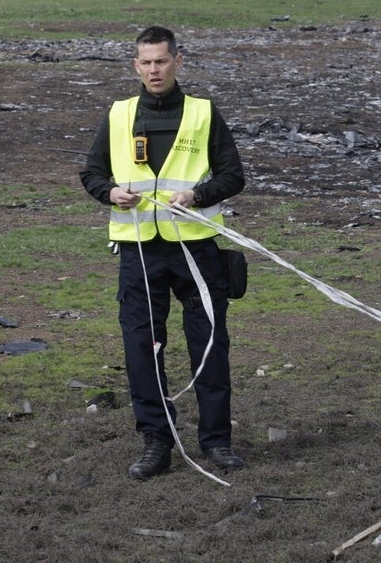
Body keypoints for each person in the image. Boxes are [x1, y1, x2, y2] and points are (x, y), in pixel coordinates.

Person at [80, 25, 247, 480]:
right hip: (138, 254)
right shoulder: (118, 115)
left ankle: (217, 442)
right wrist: (110, 193)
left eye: (162, 60)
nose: (154, 69)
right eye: (146, 62)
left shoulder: (204, 113)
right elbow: (91, 173)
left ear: (178, 62)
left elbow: (234, 177)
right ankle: (157, 442)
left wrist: (198, 195)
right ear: (136, 65)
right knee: (141, 350)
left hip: (197, 253)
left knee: (210, 348)